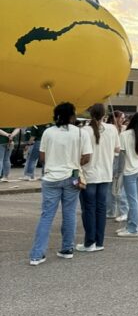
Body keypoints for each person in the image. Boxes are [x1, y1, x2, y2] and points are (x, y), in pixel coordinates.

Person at [29, 102, 93, 265]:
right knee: (70, 213)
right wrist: (73, 162)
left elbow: (42, 158)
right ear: (72, 115)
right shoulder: (81, 133)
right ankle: (67, 248)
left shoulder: (48, 132)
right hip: (72, 177)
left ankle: (37, 254)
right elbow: (87, 157)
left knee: (47, 215)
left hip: (51, 178)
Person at [77, 104, 120, 253]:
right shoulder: (112, 129)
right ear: (104, 114)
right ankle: (99, 241)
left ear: (90, 114)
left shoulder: (84, 131)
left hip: (88, 174)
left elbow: (80, 153)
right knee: (101, 208)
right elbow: (117, 149)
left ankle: (89, 242)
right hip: (106, 173)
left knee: (88, 208)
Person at [117, 112, 138, 237]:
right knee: (134, 200)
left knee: (132, 201)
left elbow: (121, 153)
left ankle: (133, 228)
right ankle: (130, 226)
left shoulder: (124, 134)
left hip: (130, 171)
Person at [106, 110, 126, 219]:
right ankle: (111, 210)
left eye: (124, 118)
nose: (123, 120)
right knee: (110, 185)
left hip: (121, 157)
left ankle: (115, 210)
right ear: (115, 118)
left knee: (117, 185)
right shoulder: (109, 128)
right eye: (121, 118)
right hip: (111, 157)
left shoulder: (124, 128)